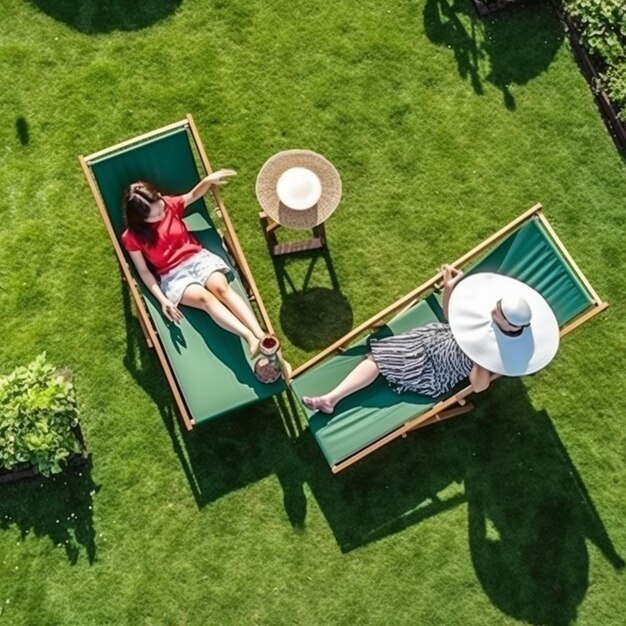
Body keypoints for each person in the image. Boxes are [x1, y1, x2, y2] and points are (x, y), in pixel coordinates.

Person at [302, 267, 560, 414]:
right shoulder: (491, 316)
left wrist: (483, 358)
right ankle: (331, 398)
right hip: (429, 340)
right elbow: (452, 320)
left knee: (381, 360)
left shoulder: (504, 355)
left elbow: (479, 387)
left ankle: (330, 399)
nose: (492, 311)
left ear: (509, 324)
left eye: (497, 313)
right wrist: (449, 288)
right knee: (379, 358)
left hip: (436, 369)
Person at [121, 171, 269, 357]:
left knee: (221, 288)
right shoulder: (132, 237)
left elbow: (192, 195)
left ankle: (261, 335)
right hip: (174, 275)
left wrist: (207, 181)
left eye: (160, 210)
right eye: (154, 216)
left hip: (197, 258)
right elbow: (143, 271)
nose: (160, 216)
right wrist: (163, 300)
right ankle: (250, 338)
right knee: (206, 300)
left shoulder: (168, 205)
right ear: (139, 218)